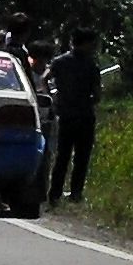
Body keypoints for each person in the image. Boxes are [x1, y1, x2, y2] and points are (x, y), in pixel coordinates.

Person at [47, 27, 103, 206]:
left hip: (65, 114)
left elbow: (44, 79)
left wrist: (53, 98)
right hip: (84, 115)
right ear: (86, 43)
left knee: (62, 156)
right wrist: (91, 100)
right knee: (81, 157)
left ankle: (54, 193)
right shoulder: (91, 65)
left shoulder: (59, 62)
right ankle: (76, 193)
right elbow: (97, 94)